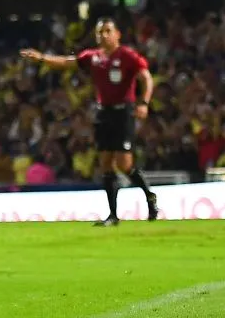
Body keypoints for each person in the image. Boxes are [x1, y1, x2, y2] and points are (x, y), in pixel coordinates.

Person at [20, 17, 158, 226]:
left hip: (123, 112)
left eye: (107, 31)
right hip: (104, 113)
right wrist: (41, 58)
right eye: (100, 32)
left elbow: (145, 77)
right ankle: (113, 215)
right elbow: (67, 63)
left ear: (117, 34)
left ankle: (149, 196)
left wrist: (144, 102)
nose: (103, 35)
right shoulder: (93, 57)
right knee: (105, 164)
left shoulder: (127, 56)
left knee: (124, 164)